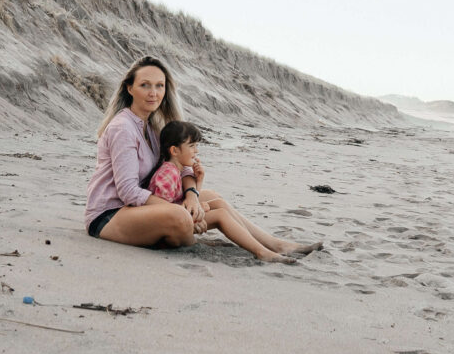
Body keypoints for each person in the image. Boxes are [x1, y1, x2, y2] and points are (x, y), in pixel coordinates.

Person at [84, 55, 324, 258]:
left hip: (143, 207)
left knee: (214, 199)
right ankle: (184, 226)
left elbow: (182, 166)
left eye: (160, 86)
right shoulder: (123, 128)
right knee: (180, 216)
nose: (153, 93)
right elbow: (128, 192)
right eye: (145, 85)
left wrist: (191, 197)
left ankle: (275, 244)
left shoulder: (154, 126)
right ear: (129, 88)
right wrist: (182, 210)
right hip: (111, 215)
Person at [149, 120, 297, 264]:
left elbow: (184, 203)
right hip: (166, 235)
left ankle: (263, 244)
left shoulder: (176, 170)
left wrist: (199, 181)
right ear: (174, 150)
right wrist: (193, 219)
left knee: (218, 203)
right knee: (220, 215)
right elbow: (164, 212)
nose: (196, 151)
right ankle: (262, 252)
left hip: (177, 221)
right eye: (192, 146)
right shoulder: (168, 174)